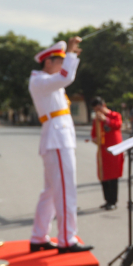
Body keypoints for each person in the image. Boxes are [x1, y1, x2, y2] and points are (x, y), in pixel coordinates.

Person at [28, 38, 93, 254]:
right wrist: (72, 53)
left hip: (57, 139)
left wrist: (70, 54)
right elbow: (67, 77)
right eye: (60, 60)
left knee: (50, 193)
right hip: (57, 140)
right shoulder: (40, 81)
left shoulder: (47, 81)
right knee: (66, 191)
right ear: (48, 62)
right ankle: (67, 239)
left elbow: (62, 77)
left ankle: (38, 237)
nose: (62, 65)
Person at [90, 97, 123, 210]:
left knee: (113, 176)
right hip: (103, 150)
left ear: (104, 105)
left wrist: (106, 120)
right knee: (103, 176)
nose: (98, 111)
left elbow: (118, 125)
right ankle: (107, 200)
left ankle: (113, 201)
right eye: (95, 110)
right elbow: (93, 133)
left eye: (99, 108)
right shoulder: (96, 120)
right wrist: (94, 138)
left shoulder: (115, 115)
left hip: (114, 151)